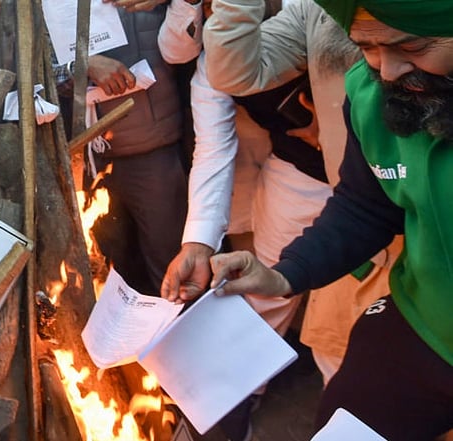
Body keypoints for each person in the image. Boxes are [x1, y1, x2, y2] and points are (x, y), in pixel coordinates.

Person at [205, 3, 453, 439]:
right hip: (425, 326)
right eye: (368, 48)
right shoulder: (370, 94)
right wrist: (286, 275)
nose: (389, 70)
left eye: (412, 46)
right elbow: (366, 205)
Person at [173, 0, 400, 388]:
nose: (388, 65)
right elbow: (229, 85)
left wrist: (337, 130)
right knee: (293, 309)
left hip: (404, 197)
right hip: (317, 181)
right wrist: (198, 241)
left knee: (388, 333)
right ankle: (235, 398)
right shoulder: (308, 16)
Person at [58, 0, 189, 296]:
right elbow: (32, 75)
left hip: (153, 147)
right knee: (104, 274)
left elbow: (190, 32)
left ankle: (177, 339)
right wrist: (80, 65)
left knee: (170, 273)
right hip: (84, 159)